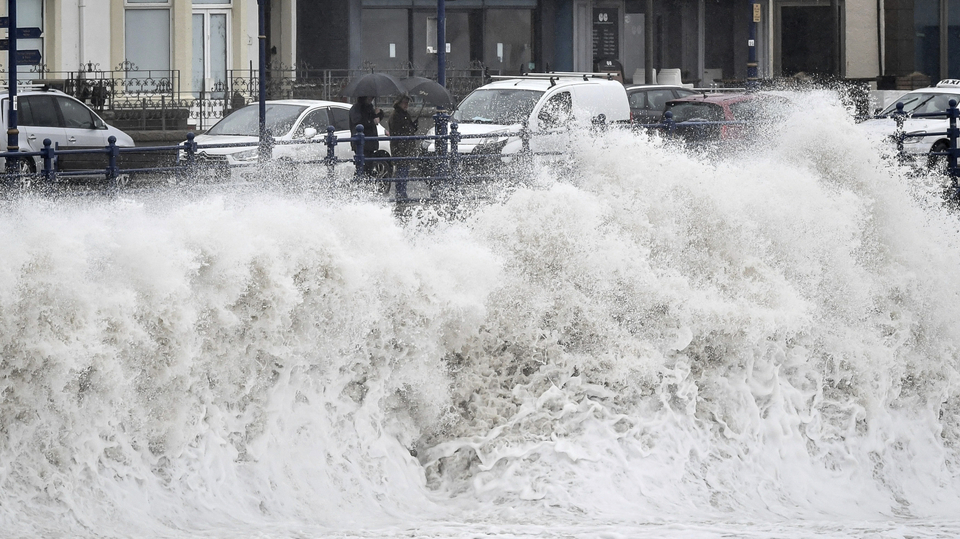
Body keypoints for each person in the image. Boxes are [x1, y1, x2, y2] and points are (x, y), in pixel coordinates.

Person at [348, 96, 386, 189]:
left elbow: (374, 119)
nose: (371, 98)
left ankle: (364, 187)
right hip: (361, 143)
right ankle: (358, 187)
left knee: (368, 167)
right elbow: (359, 122)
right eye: (369, 97)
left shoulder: (369, 107)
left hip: (370, 142)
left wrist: (379, 114)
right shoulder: (356, 109)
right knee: (362, 167)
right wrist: (372, 121)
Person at [387, 94, 419, 200]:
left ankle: (402, 193)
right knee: (401, 171)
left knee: (404, 171)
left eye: (407, 103)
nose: (406, 105)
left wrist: (413, 126)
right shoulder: (396, 115)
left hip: (406, 147)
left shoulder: (405, 114)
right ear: (399, 103)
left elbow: (409, 129)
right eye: (404, 103)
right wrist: (409, 128)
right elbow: (398, 131)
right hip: (400, 147)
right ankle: (400, 193)